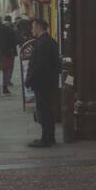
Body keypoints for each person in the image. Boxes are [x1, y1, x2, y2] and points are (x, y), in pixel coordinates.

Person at [25, 18, 60, 147]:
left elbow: (39, 65)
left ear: (39, 27)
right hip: (48, 82)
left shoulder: (43, 43)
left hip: (43, 83)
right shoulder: (48, 41)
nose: (32, 29)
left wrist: (29, 80)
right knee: (46, 110)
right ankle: (48, 137)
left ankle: (47, 139)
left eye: (33, 27)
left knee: (44, 111)